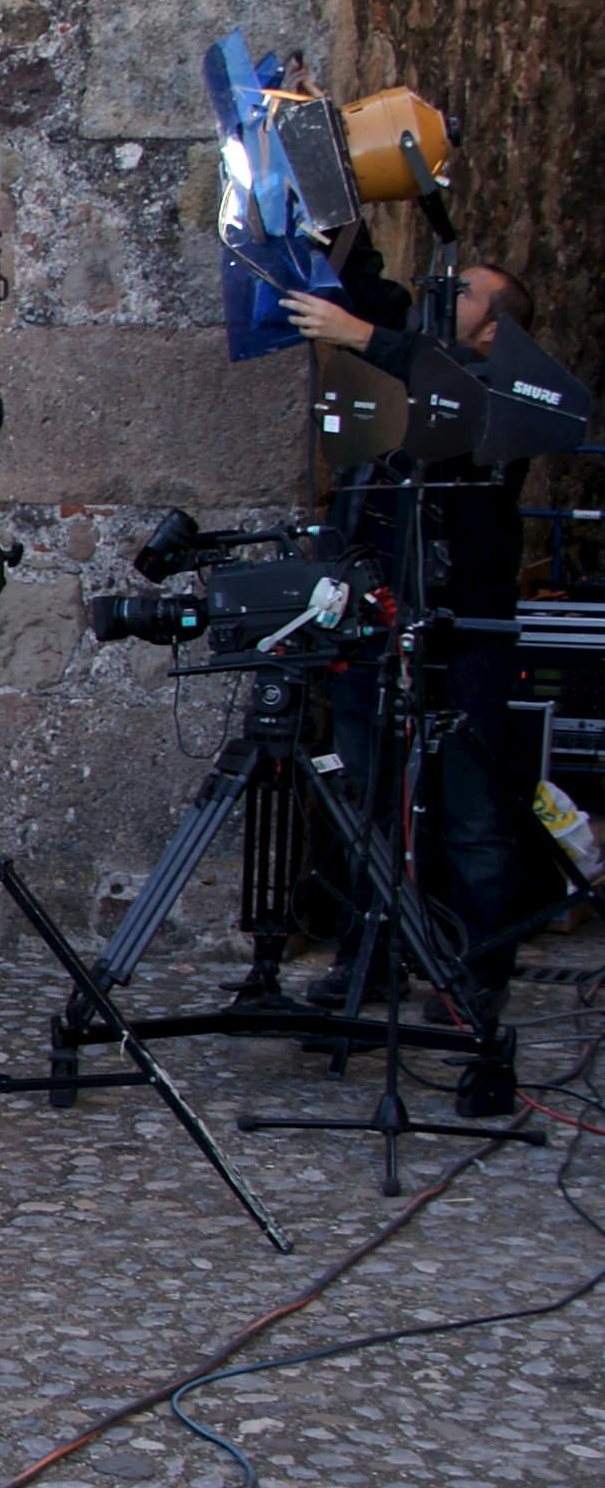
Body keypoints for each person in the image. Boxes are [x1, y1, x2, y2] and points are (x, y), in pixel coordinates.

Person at [292, 262, 539, 1015]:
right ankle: (369, 958)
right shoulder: (414, 357)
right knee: (364, 800)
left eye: (463, 292)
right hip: (377, 618)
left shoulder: (503, 388)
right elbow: (385, 305)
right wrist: (338, 238)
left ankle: (477, 975)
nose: (444, 294)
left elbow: (452, 380)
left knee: (472, 812)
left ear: (494, 328)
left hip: (463, 630)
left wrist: (362, 336)